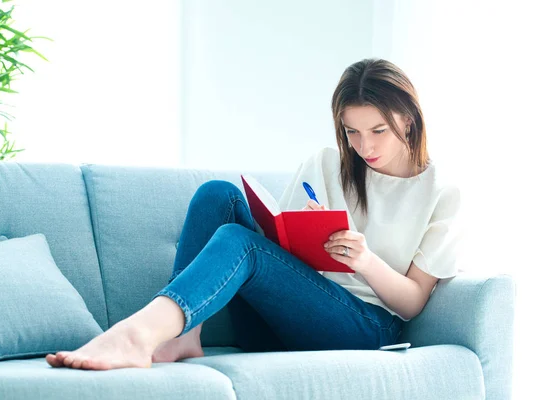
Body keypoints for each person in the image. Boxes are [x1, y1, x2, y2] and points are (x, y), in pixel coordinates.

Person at [45, 58, 462, 370]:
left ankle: (138, 334)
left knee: (238, 242)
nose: (364, 146)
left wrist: (365, 261)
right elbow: (276, 257)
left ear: (407, 121)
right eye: (351, 131)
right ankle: (185, 336)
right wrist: (298, 238)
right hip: (283, 321)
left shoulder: (442, 192)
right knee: (218, 196)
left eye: (378, 131)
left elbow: (412, 304)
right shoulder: (325, 164)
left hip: (366, 328)